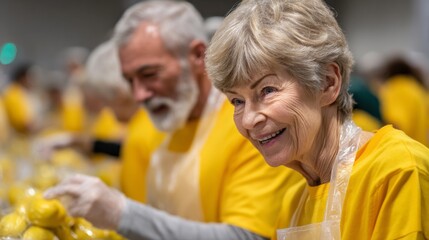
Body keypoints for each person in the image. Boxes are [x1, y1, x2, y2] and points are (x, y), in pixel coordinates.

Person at [44, 1, 303, 240]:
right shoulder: (161, 121)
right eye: (130, 80)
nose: (138, 95)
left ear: (198, 56)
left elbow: (248, 236)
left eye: (149, 74)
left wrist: (122, 214)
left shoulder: (252, 126)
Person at [205, 0, 429, 239]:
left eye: (268, 90)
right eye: (237, 101)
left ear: (327, 82)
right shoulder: (293, 202)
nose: (249, 120)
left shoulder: (397, 171)